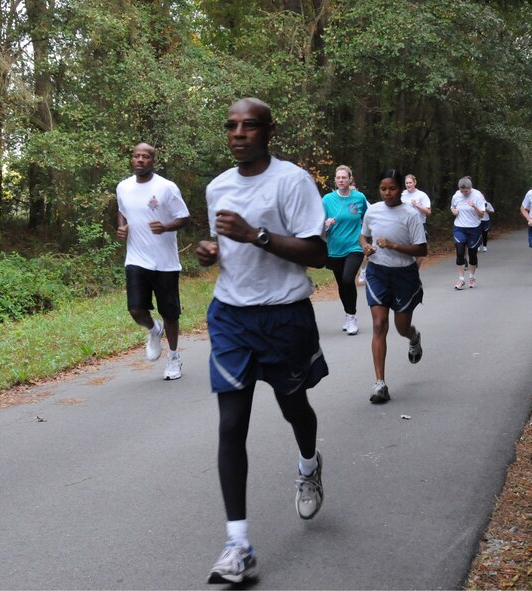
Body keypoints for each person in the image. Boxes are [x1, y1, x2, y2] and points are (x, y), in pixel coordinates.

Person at [196, 98, 328, 584]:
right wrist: (210, 252)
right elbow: (222, 249)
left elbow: (317, 252)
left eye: (249, 126)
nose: (238, 133)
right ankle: (238, 544)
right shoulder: (218, 187)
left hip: (284, 317)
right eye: (231, 126)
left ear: (269, 132)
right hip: (231, 316)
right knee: (231, 423)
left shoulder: (292, 181)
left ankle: (309, 464)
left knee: (296, 409)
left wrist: (257, 235)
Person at [116, 142, 190, 381]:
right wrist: (121, 226)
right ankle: (153, 329)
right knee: (136, 309)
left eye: (145, 156)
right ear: (132, 159)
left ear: (152, 161)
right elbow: (122, 209)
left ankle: (174, 356)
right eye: (136, 156)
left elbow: (183, 217)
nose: (140, 160)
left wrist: (166, 226)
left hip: (165, 262)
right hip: (136, 258)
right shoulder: (123, 187)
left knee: (170, 313)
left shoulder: (166, 187)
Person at [359, 169, 427, 404]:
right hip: (377, 272)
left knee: (401, 327)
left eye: (392, 188)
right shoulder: (373, 210)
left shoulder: (410, 214)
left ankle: (414, 337)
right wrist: (366, 247)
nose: (387, 193)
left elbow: (422, 249)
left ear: (400, 189)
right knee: (379, 324)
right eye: (383, 189)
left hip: (404, 275)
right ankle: (380, 384)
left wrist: (394, 245)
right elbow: (363, 236)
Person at [323, 165, 369, 335]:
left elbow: (367, 217)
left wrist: (367, 238)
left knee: (348, 279)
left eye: (344, 177)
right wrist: (325, 224)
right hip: (334, 248)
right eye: (338, 177)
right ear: (335, 180)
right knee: (342, 284)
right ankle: (348, 314)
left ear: (350, 179)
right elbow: (317, 225)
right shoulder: (327, 200)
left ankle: (352, 317)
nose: (341, 180)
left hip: (354, 246)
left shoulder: (359, 197)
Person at [450, 176, 486, 289]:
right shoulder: (456, 195)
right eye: (462, 191)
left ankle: (472, 277)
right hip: (459, 227)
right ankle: (461, 279)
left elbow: (481, 215)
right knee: (460, 252)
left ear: (471, 188)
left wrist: (474, 206)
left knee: (472, 254)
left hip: (474, 228)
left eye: (466, 191)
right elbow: (452, 207)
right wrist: (453, 211)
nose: (464, 193)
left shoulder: (478, 195)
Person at [401, 174, 432, 267]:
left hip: (419, 225)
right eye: (406, 183)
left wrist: (417, 205)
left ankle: (414, 271)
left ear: (415, 183)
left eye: (410, 182)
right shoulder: (402, 194)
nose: (408, 185)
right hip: (405, 225)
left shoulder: (422, 195)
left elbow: (428, 212)